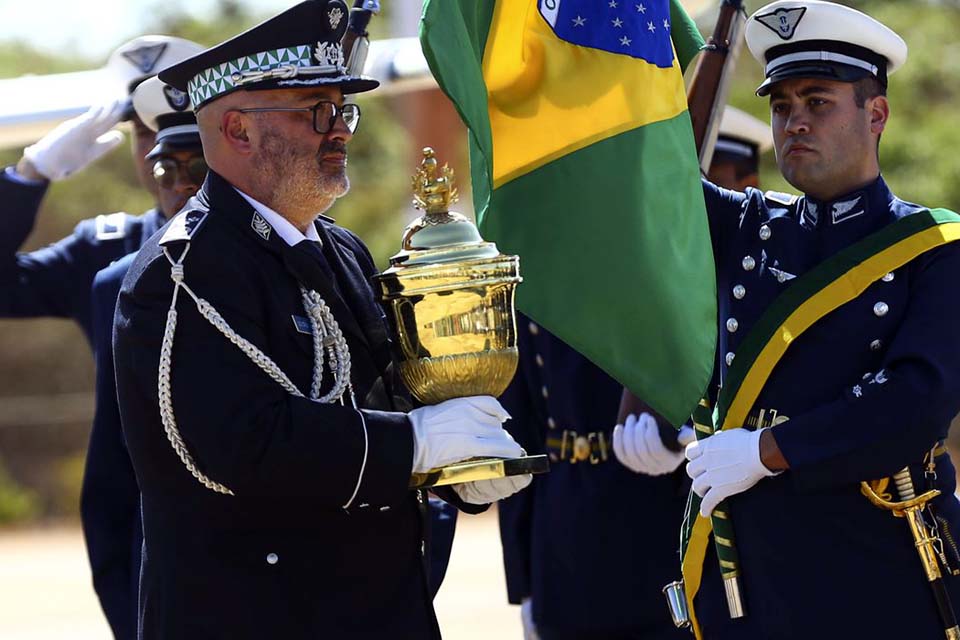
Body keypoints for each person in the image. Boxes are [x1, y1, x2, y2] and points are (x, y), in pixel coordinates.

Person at [113, 2, 530, 637]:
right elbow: (236, 446)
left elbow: (383, 394)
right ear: (238, 131)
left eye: (345, 111)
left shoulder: (339, 249)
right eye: (317, 112)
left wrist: (452, 468)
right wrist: (416, 444)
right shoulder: (183, 271)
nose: (339, 130)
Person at [618, 2, 960, 638]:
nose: (795, 122)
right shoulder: (745, 225)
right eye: (782, 107)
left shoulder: (933, 249)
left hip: (875, 576)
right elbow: (646, 179)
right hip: (752, 579)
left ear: (876, 113)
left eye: (819, 102)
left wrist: (768, 451)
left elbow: (917, 399)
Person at [498, 109, 772, 640]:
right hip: (566, 536)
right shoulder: (560, 271)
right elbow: (523, 428)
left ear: (746, 187)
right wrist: (525, 581)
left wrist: (684, 439)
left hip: (662, 529)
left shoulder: (735, 289)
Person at [81, 74, 207, 640]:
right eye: (164, 169)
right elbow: (111, 474)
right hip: (170, 586)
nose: (179, 185)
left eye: (198, 169)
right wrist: (29, 177)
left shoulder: (313, 256)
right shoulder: (115, 282)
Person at [0, 35, 203, 345]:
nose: (160, 149)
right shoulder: (104, 250)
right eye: (143, 130)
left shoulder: (282, 234)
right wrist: (30, 174)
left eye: (176, 130)